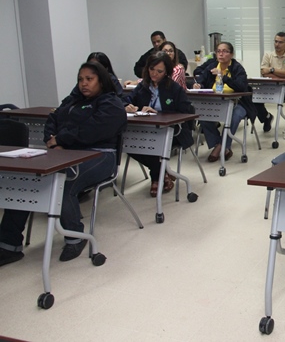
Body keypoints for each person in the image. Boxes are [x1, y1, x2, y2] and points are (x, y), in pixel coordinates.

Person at [0, 62, 127, 266]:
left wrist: (61, 139)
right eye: (80, 79)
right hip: (65, 153)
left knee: (65, 181)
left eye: (89, 79)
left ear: (101, 81)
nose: (84, 83)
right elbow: (53, 119)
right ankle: (9, 245)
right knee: (25, 180)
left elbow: (92, 131)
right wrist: (53, 141)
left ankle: (75, 238)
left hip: (101, 155)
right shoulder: (72, 100)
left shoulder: (111, 104)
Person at [124, 51, 193, 196]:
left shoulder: (174, 88)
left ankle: (156, 177)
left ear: (166, 72)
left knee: (154, 143)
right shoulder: (143, 86)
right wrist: (127, 106)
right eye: (151, 69)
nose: (154, 74)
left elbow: (187, 111)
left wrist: (159, 113)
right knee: (127, 143)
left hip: (172, 131)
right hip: (146, 130)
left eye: (159, 71)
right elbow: (126, 100)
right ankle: (163, 171)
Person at [192, 42, 257, 162]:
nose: (221, 54)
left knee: (235, 116)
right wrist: (198, 85)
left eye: (225, 51)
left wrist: (223, 76)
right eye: (218, 51)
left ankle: (220, 147)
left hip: (238, 103)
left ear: (231, 54)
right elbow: (201, 79)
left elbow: (241, 87)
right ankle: (220, 145)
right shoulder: (212, 66)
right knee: (202, 115)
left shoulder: (237, 68)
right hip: (215, 102)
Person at [255, 32, 285, 128]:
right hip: (268, 88)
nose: (277, 44)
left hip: (284, 89)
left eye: (280, 42)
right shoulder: (268, 55)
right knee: (253, 95)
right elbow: (264, 72)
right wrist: (284, 75)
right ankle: (266, 117)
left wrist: (272, 70)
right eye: (276, 41)